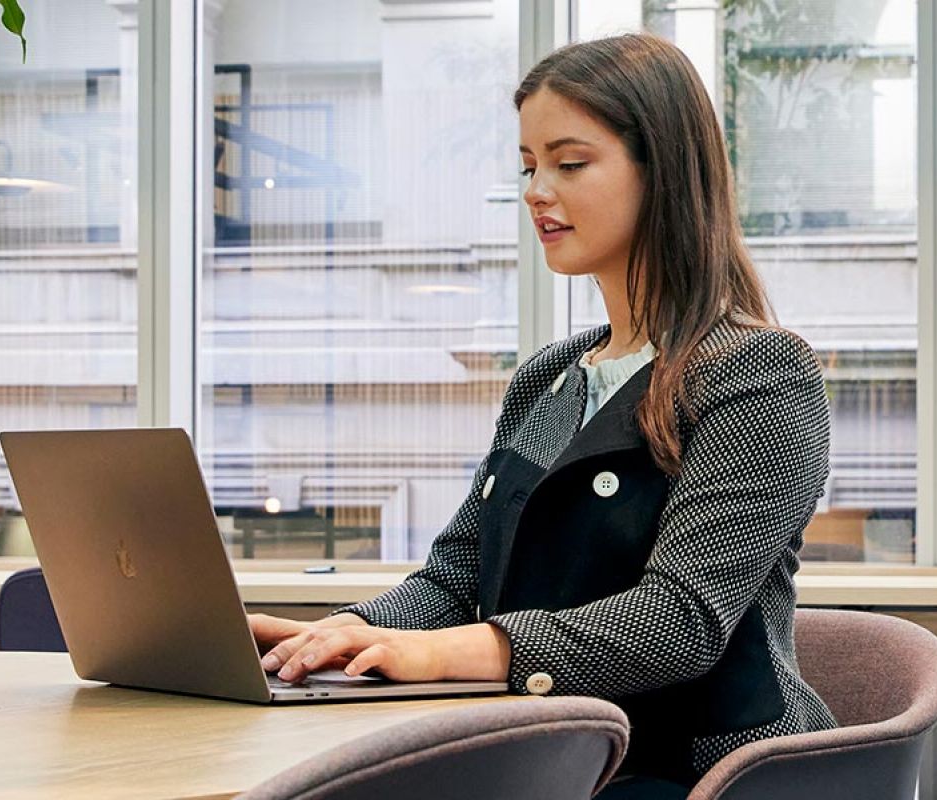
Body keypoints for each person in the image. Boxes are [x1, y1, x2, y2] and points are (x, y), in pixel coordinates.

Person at [248, 33, 838, 797]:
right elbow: (457, 577)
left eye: (569, 162)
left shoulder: (758, 373)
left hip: (694, 770)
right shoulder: (548, 378)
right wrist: (347, 635)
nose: (535, 190)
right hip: (547, 749)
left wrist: (446, 653)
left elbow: (678, 619)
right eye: (528, 165)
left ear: (660, 170)